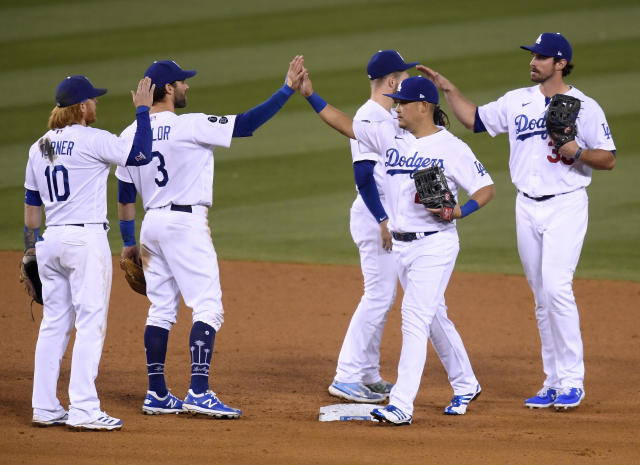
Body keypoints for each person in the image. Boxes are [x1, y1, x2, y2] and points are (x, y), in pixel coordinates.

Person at [420, 32, 616, 410]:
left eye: (541, 57)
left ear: (560, 64)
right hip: (526, 207)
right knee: (542, 298)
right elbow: (474, 120)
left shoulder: (584, 106)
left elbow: (607, 158)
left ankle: (573, 380)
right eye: (532, 56)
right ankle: (553, 381)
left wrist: (576, 151)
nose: (533, 62)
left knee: (558, 288)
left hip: (566, 204)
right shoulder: (516, 101)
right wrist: (447, 88)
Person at [115, 57, 306, 418]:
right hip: (184, 225)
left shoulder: (130, 134)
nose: (187, 86)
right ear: (168, 89)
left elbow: (125, 194)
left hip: (150, 227)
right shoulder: (190, 125)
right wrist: (286, 90)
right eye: (182, 82)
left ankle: (157, 393)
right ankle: (199, 392)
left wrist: (127, 241)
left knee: (161, 309)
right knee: (208, 307)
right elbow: (247, 125)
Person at [300, 73, 495, 425]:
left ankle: (402, 404)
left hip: (434, 245)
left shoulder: (451, 148)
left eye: (403, 102)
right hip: (400, 246)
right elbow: (345, 124)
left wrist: (461, 210)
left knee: (414, 318)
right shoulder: (391, 136)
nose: (396, 105)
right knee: (434, 316)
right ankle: (466, 383)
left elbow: (485, 188)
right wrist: (311, 96)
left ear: (424, 106)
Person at [26, 75, 155, 430]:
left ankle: (44, 406)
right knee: (90, 323)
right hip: (84, 243)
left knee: (54, 325)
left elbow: (31, 209)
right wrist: (143, 111)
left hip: (50, 242)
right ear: (81, 107)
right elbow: (141, 155)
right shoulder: (94, 140)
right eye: (93, 101)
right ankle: (83, 408)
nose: (96, 105)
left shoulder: (39, 147)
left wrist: (30, 249)